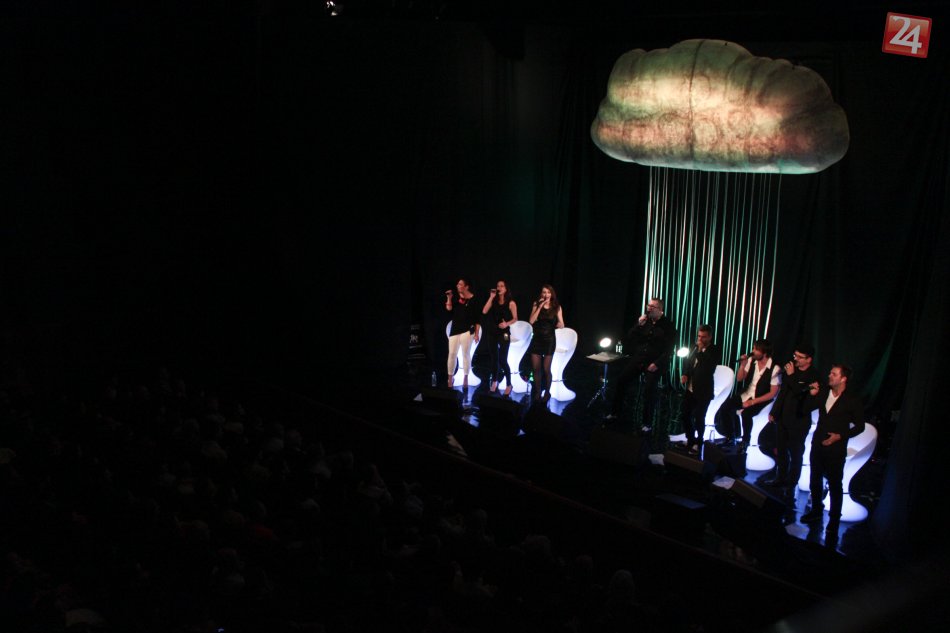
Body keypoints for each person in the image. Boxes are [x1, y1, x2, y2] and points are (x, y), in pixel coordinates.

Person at [800, 364, 865, 539]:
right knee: (815, 479)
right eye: (830, 373)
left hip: (836, 447)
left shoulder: (852, 399)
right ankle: (816, 510)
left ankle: (834, 519)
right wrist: (811, 395)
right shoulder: (823, 393)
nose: (829, 376)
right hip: (818, 443)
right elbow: (805, 409)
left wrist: (840, 436)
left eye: (834, 374)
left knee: (835, 483)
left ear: (843, 379)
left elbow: (860, 426)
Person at [607, 298, 677, 429]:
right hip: (639, 358)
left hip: (655, 362)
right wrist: (638, 325)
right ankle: (615, 413)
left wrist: (657, 363)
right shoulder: (645, 321)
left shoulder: (668, 325)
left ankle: (647, 423)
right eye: (648, 305)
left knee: (649, 390)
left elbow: (669, 350)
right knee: (622, 380)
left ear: (660, 309)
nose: (649, 308)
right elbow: (629, 338)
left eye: (652, 306)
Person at [765, 344, 820, 488]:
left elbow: (800, 393)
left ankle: (792, 483)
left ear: (809, 359)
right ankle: (780, 478)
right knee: (781, 450)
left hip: (799, 421)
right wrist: (774, 411)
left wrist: (792, 376)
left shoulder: (814, 375)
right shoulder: (791, 371)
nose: (796, 359)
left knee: (796, 453)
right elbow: (783, 393)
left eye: (800, 357)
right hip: (783, 418)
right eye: (795, 355)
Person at [722, 339, 781, 452]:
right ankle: (730, 437)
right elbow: (739, 378)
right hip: (747, 394)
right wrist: (742, 365)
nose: (753, 351)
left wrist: (752, 402)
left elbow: (773, 393)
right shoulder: (751, 360)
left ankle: (745, 441)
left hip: (761, 399)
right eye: (754, 348)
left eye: (756, 349)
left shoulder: (775, 368)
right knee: (725, 406)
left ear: (765, 353)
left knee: (746, 414)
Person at [679, 325, 722, 453]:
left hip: (704, 390)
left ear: (710, 337)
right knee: (685, 415)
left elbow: (708, 366)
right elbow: (689, 363)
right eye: (699, 336)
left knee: (699, 417)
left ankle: (699, 441)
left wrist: (700, 350)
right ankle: (690, 438)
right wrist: (685, 374)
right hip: (691, 388)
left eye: (703, 337)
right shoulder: (694, 347)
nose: (700, 339)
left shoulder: (714, 350)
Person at [527, 284, 564, 403]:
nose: (546, 294)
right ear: (541, 294)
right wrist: (539, 307)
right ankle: (538, 391)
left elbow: (562, 324)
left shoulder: (557, 307)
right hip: (537, 339)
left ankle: (547, 392)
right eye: (544, 292)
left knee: (546, 369)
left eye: (548, 292)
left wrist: (558, 324)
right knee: (536, 368)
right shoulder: (536, 304)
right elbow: (531, 321)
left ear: (551, 294)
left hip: (549, 340)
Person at [481, 280, 518, 396]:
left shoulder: (511, 303)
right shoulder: (494, 301)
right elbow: (484, 311)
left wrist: (506, 324)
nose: (499, 288)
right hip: (492, 332)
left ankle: (509, 384)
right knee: (494, 359)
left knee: (502, 359)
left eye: (502, 286)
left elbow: (515, 318)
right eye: (498, 286)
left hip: (504, 333)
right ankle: (494, 381)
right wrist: (491, 297)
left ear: (506, 289)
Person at [444, 278, 480, 388]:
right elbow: (449, 309)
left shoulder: (474, 300)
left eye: (460, 284)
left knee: (465, 354)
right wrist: (449, 298)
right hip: (455, 330)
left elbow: (477, 319)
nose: (457, 285)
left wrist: (477, 334)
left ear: (466, 287)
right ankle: (450, 378)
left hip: (467, 330)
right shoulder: (456, 298)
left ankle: (466, 378)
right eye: (458, 284)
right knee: (452, 354)